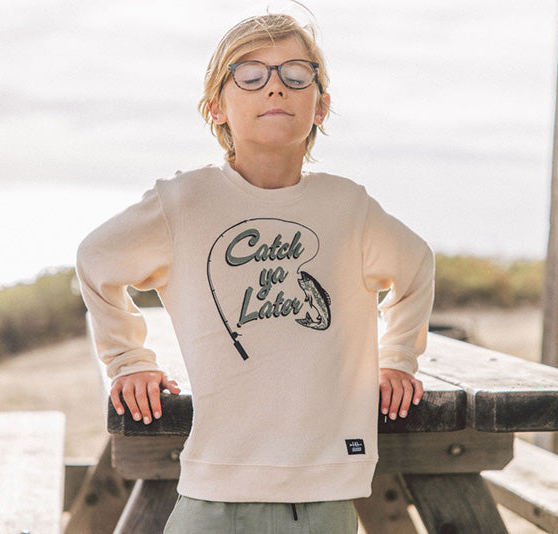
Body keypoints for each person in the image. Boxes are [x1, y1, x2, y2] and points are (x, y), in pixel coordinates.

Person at [76, 11, 434, 533]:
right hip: (214, 489)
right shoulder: (184, 203)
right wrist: (128, 360)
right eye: (250, 74)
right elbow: (95, 261)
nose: (275, 87)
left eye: (296, 74)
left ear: (320, 106)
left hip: (326, 490)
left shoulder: (347, 208)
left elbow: (416, 265)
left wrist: (398, 357)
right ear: (216, 107)